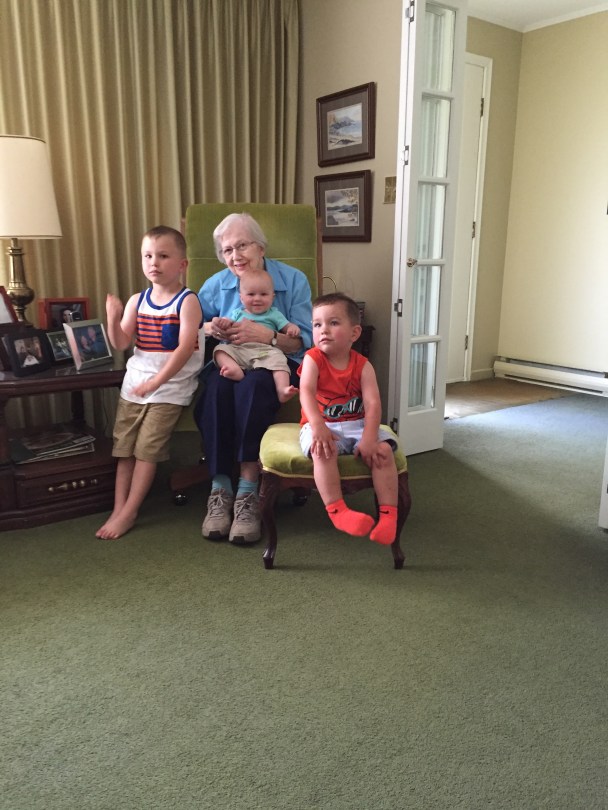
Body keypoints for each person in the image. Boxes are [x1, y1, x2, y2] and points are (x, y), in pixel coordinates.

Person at [196, 212, 312, 545]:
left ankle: (248, 489)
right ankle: (220, 488)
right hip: (230, 359)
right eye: (227, 250)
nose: (235, 256)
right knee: (217, 388)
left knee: (256, 385)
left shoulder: (293, 280)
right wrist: (211, 328)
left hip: (272, 364)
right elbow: (193, 326)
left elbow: (306, 340)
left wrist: (270, 336)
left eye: (242, 246)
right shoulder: (215, 285)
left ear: (260, 247)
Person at [96, 225, 204, 540]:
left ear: (182, 264)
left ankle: (130, 512)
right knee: (125, 449)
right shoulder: (137, 300)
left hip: (170, 387)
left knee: (146, 450)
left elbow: (185, 349)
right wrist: (112, 317)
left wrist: (157, 381)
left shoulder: (187, 301)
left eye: (163, 256)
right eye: (147, 256)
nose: (153, 262)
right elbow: (121, 342)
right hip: (136, 384)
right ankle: (119, 508)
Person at [298, 292, 398, 545]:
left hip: (357, 424)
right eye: (317, 324)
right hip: (321, 424)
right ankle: (337, 511)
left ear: (355, 333)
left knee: (384, 452)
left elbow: (373, 404)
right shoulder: (313, 359)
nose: (323, 330)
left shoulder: (363, 365)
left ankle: (388, 516)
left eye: (333, 323)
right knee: (322, 450)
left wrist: (369, 438)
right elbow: (306, 392)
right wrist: (317, 426)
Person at [211, 269, 300, 403]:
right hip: (239, 350)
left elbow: (286, 326)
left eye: (263, 294)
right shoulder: (237, 313)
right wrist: (223, 323)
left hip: (265, 350)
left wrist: (292, 328)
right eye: (251, 294)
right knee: (219, 351)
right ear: (241, 298)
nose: (257, 298)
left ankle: (282, 389)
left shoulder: (274, 314)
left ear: (272, 297)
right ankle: (234, 369)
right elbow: (228, 324)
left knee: (279, 360)